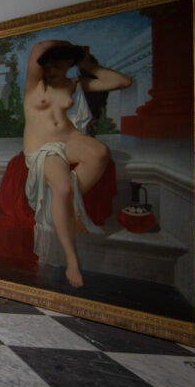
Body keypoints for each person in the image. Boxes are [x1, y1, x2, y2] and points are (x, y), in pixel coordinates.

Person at [23, 40, 131, 287]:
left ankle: (69, 208)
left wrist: (84, 62)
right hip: (42, 148)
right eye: (48, 66)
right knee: (62, 188)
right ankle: (73, 261)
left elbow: (123, 82)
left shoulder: (75, 85)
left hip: (70, 140)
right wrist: (71, 48)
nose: (51, 71)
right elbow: (39, 47)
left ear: (69, 66)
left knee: (100, 151)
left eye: (59, 66)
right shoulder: (34, 86)